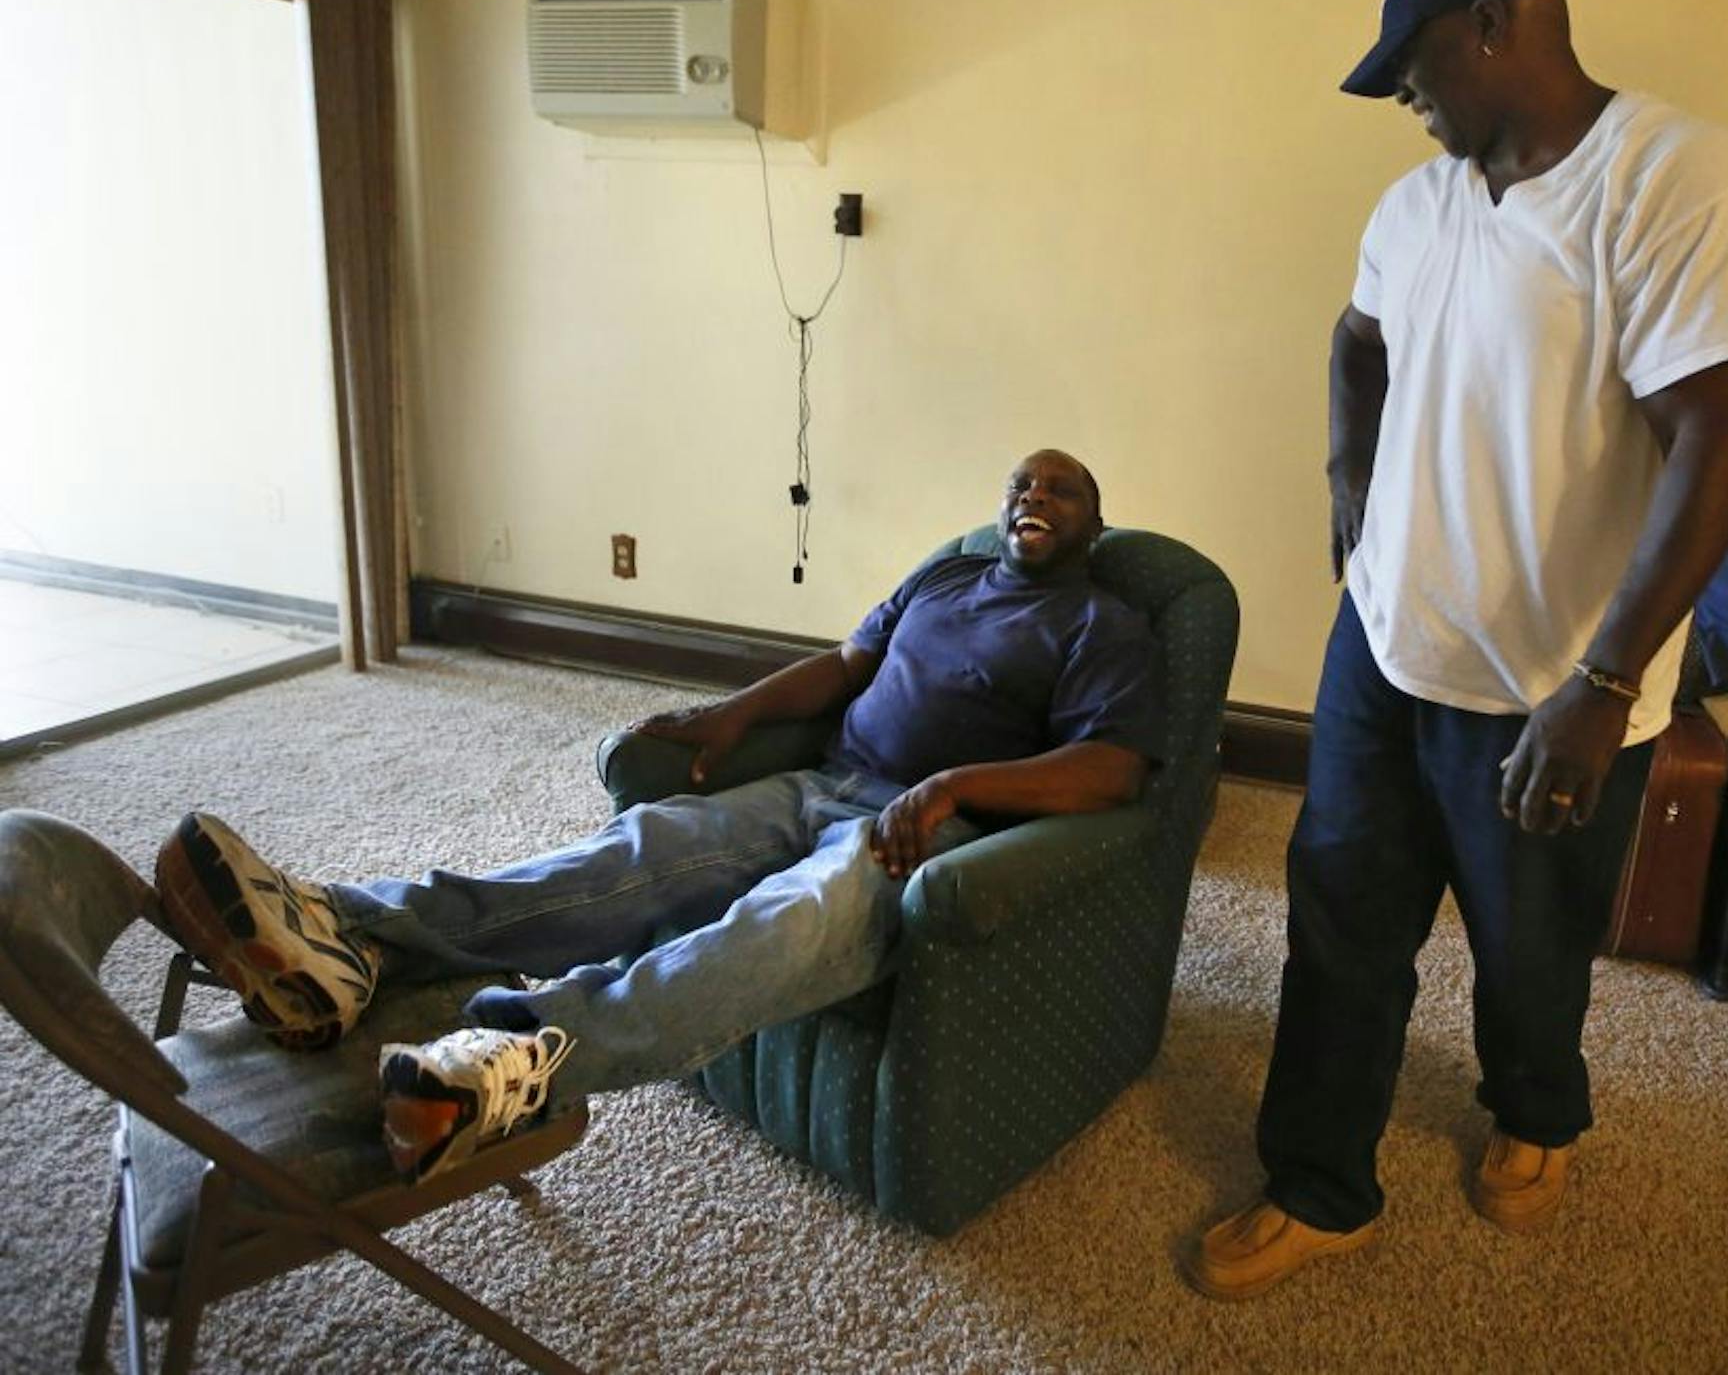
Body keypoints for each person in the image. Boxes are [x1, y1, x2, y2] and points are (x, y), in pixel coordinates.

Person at [1185, 0, 1728, 1299]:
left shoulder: (1682, 181)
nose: (1403, 96)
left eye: (1412, 67)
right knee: (1340, 918)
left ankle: (1537, 1111)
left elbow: (1722, 445)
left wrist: (1606, 684)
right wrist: (1348, 481)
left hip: (1555, 681)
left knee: (1531, 947)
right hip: (1386, 644)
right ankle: (1320, 1184)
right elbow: (1357, 345)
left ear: (1494, 24)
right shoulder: (1416, 207)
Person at [156, 449, 1163, 1183]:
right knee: (639, 849)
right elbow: (847, 666)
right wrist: (733, 713)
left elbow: (1114, 770)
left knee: (789, 919)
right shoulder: (944, 576)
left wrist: (952, 788)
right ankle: (353, 929)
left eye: (1060, 490)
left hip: (918, 835)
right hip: (822, 782)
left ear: (1094, 527)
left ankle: (520, 1056)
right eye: (1021, 485)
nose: (1034, 497)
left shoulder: (1100, 623)